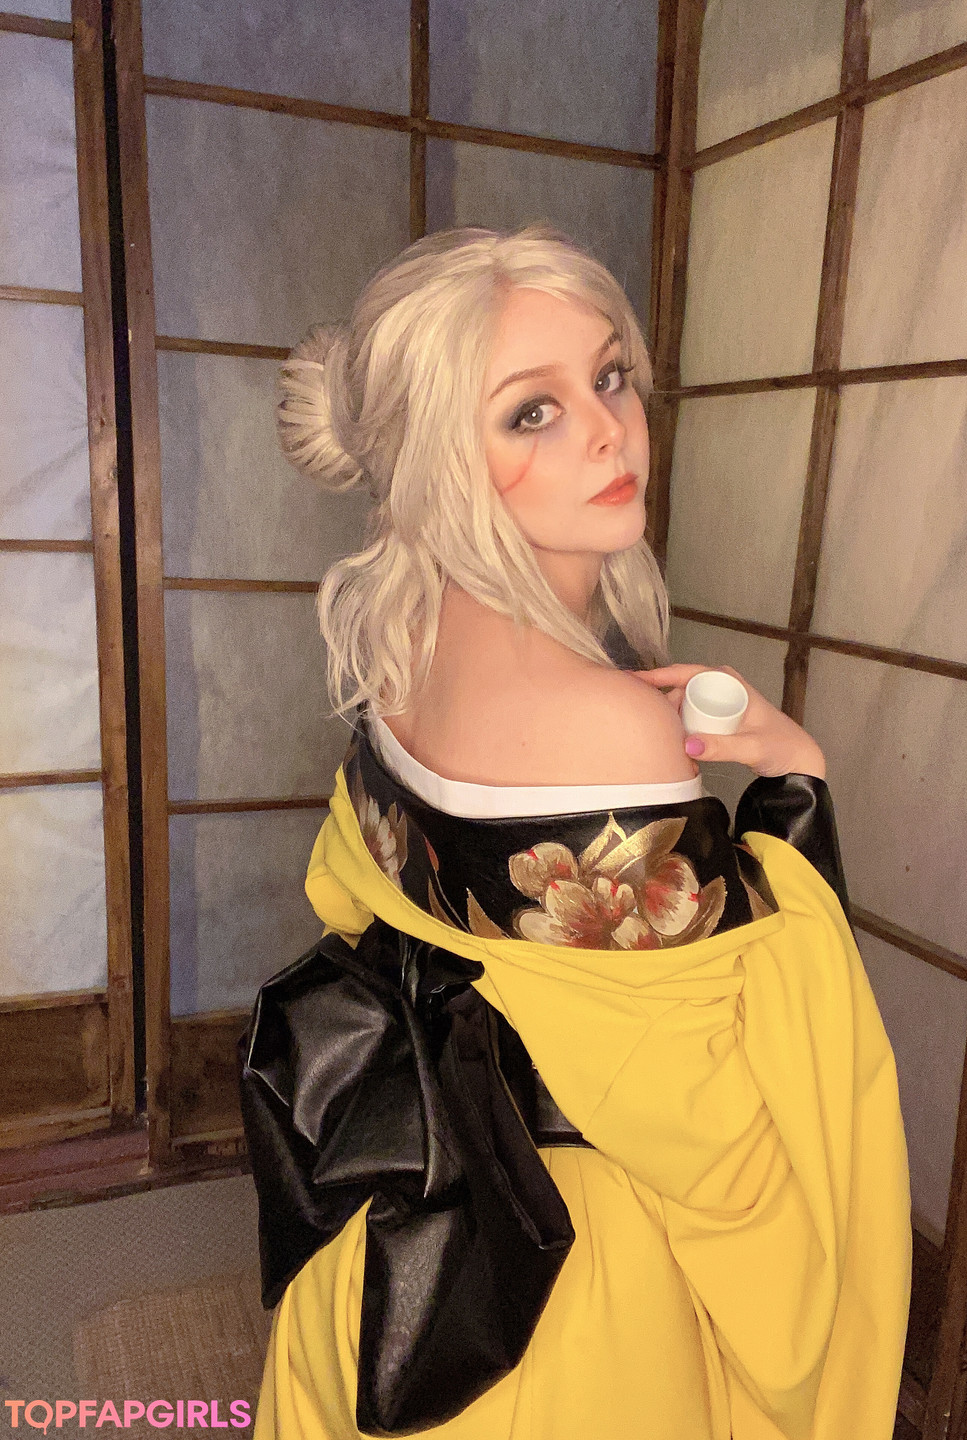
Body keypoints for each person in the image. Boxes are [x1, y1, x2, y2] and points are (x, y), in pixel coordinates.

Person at [240, 226, 911, 1440]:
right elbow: (701, 1123)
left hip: (407, 1209)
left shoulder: (399, 650)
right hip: (569, 1274)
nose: (608, 432)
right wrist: (795, 782)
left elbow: (357, 893)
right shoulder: (609, 726)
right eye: (530, 412)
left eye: (609, 377)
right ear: (441, 460)